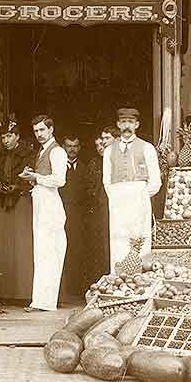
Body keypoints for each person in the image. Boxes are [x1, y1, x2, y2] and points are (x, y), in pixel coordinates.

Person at [102, 108, 161, 272]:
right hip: (118, 200)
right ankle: (118, 278)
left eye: (130, 122)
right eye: (123, 122)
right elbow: (106, 180)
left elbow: (155, 181)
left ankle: (140, 277)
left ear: (137, 124)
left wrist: (140, 195)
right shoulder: (108, 150)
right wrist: (116, 197)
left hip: (139, 199)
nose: (127, 126)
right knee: (118, 238)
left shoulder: (147, 147)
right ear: (118, 125)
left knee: (139, 238)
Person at [19, 115, 68, 312]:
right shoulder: (42, 151)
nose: (39, 134)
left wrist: (36, 177)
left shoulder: (57, 151)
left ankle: (47, 302)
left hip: (51, 203)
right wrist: (32, 178)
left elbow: (59, 180)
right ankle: (39, 300)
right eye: (36, 131)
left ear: (51, 129)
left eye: (42, 130)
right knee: (41, 251)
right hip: (41, 201)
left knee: (50, 251)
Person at [0, 118, 35, 304]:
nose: (5, 140)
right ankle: (5, 292)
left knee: (22, 245)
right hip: (4, 203)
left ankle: (24, 292)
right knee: (3, 244)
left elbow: (31, 175)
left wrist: (17, 187)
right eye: (3, 137)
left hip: (21, 203)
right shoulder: (0, 156)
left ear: (17, 136)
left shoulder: (28, 154)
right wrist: (1, 187)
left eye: (9, 136)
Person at [83, 126, 118, 286]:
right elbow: (90, 187)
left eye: (103, 144)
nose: (100, 148)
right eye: (97, 146)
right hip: (99, 209)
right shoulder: (95, 163)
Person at [59, 136, 90, 299]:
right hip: (59, 214)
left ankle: (75, 289)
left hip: (78, 217)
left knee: (77, 250)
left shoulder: (85, 168)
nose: (72, 149)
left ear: (80, 148)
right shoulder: (57, 167)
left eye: (75, 146)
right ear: (63, 146)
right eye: (69, 146)